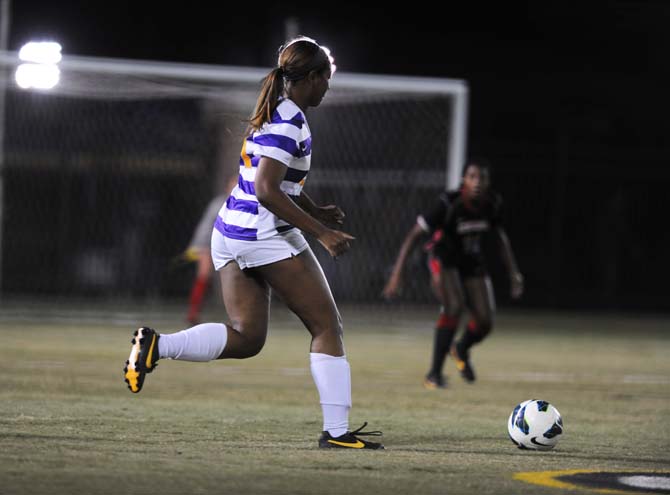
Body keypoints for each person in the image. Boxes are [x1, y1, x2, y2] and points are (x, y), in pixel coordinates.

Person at [123, 36, 383, 450]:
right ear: (311, 78)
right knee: (326, 326)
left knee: (247, 338)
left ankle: (158, 345)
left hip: (230, 232)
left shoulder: (274, 110)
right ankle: (336, 433)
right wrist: (323, 234)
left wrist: (314, 211)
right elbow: (266, 189)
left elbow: (276, 181)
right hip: (264, 234)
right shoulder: (289, 121)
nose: (328, 87)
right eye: (326, 79)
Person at [382, 158, 524, 389]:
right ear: (463, 180)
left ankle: (460, 348)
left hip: (470, 260)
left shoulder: (492, 204)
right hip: (443, 258)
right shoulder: (448, 204)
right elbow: (414, 236)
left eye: (482, 178)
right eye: (472, 177)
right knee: (454, 306)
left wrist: (514, 273)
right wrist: (397, 274)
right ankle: (433, 375)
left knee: (485, 321)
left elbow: (500, 238)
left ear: (488, 183)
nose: (477, 182)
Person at [181, 193, 227, 325]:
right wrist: (197, 245)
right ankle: (193, 313)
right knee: (204, 275)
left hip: (229, 244)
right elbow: (206, 226)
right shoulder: (218, 203)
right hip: (208, 244)